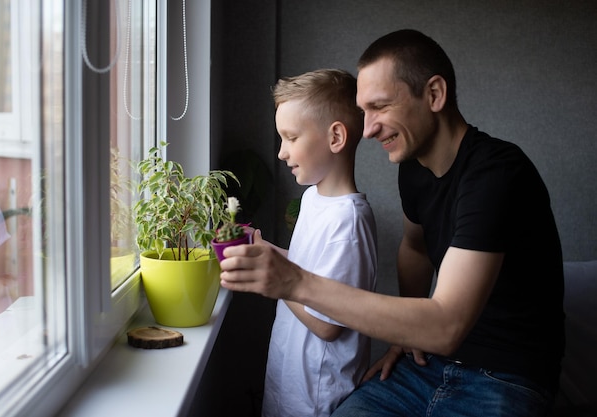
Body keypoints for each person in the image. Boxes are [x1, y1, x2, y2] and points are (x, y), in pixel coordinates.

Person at [220, 29, 564, 417]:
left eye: (380, 107)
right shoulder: (413, 172)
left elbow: (447, 327)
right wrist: (405, 335)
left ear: (434, 95)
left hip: (506, 377)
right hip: (427, 366)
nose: (366, 129)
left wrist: (293, 281)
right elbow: (414, 248)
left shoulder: (497, 174)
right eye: (363, 111)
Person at [259, 68, 378, 417]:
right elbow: (304, 267)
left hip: (319, 395)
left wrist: (276, 280)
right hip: (289, 378)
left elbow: (328, 324)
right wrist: (267, 254)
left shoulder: (348, 221)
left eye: (291, 138)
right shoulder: (312, 199)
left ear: (336, 137)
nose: (281, 153)